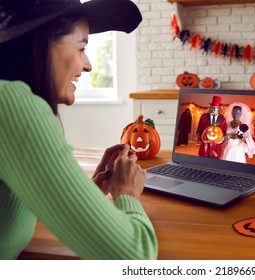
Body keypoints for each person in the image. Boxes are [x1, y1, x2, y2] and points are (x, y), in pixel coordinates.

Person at [0, 0, 157, 260]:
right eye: (82, 47)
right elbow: (132, 257)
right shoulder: (13, 104)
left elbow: (21, 209)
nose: (88, 66)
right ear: (41, 43)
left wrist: (88, 191)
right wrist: (127, 194)